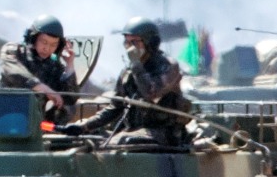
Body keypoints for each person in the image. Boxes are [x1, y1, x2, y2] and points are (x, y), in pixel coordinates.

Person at [59, 17, 189, 145]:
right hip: (134, 131)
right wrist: (84, 126)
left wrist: (136, 64)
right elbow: (115, 106)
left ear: (150, 43)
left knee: (119, 142)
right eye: (126, 42)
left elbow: (151, 93)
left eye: (135, 42)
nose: (129, 47)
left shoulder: (168, 66)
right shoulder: (128, 72)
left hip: (164, 132)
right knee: (92, 139)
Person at [0, 14, 78, 117]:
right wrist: (43, 88)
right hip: (5, 116)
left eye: (53, 45)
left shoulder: (54, 66)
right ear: (33, 38)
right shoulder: (14, 50)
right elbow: (12, 71)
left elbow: (70, 98)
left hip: (34, 121)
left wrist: (70, 65)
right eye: (44, 42)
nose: (47, 48)